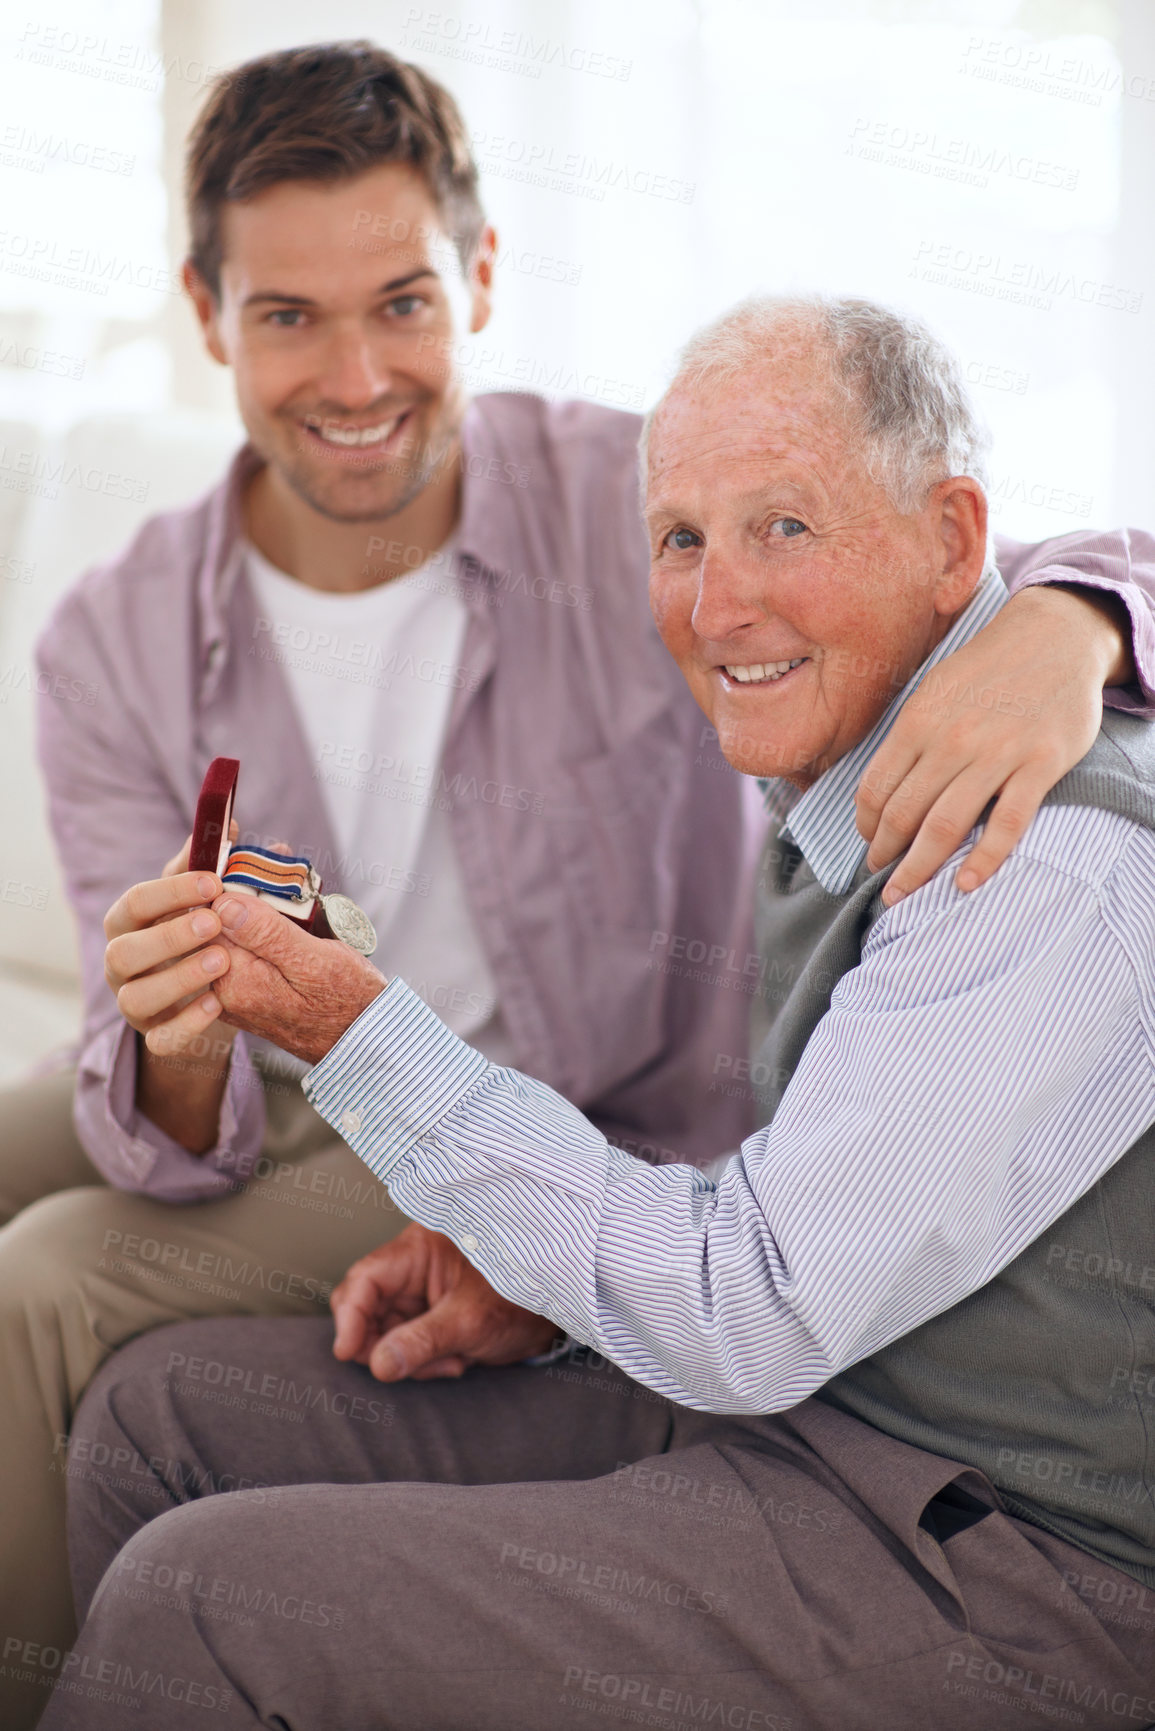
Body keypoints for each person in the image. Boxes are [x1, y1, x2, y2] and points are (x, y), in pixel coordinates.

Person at [42, 296, 1155, 1731]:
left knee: (210, 1599)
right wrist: (545, 1290)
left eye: (784, 528)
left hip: (1000, 1565)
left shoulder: (1036, 860)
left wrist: (354, 1029)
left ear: (953, 541)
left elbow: (749, 1312)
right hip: (820, 1405)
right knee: (158, 1416)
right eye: (681, 539)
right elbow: (835, 1206)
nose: (713, 606)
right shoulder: (863, 752)